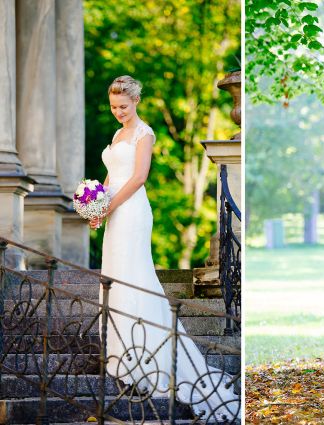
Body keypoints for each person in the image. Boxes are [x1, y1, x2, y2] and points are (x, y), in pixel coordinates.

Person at [92, 75, 239, 420]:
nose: (118, 112)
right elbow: (111, 176)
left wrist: (110, 206)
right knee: (114, 275)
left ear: (135, 101)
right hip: (114, 211)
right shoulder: (116, 135)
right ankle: (119, 351)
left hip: (132, 211)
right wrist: (96, 205)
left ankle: (145, 354)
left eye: (123, 106)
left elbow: (139, 177)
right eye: (113, 107)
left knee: (134, 275)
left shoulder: (144, 134)